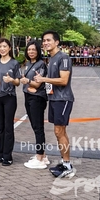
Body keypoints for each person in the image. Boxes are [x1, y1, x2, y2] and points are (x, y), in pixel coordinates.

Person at [34, 30, 76, 178]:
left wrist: (44, 79)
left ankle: (67, 165)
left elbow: (64, 80)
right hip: (54, 99)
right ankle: (64, 163)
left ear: (57, 42)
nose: (45, 43)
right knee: (58, 132)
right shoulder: (51, 59)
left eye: (48, 40)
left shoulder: (63, 57)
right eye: (44, 41)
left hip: (63, 99)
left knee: (60, 131)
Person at [0, 37, 20, 166]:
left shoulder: (14, 63)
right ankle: (1, 154)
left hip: (9, 97)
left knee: (8, 127)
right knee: (0, 127)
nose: (2, 49)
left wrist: (11, 80)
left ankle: (8, 156)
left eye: (4, 46)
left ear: (9, 48)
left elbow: (18, 82)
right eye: (0, 47)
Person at [20, 40, 49, 169]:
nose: (31, 51)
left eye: (33, 49)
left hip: (37, 98)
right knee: (35, 126)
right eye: (29, 49)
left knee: (38, 128)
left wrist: (27, 81)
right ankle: (43, 155)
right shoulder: (28, 64)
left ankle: (39, 158)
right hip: (28, 96)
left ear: (38, 51)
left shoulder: (41, 64)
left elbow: (37, 84)